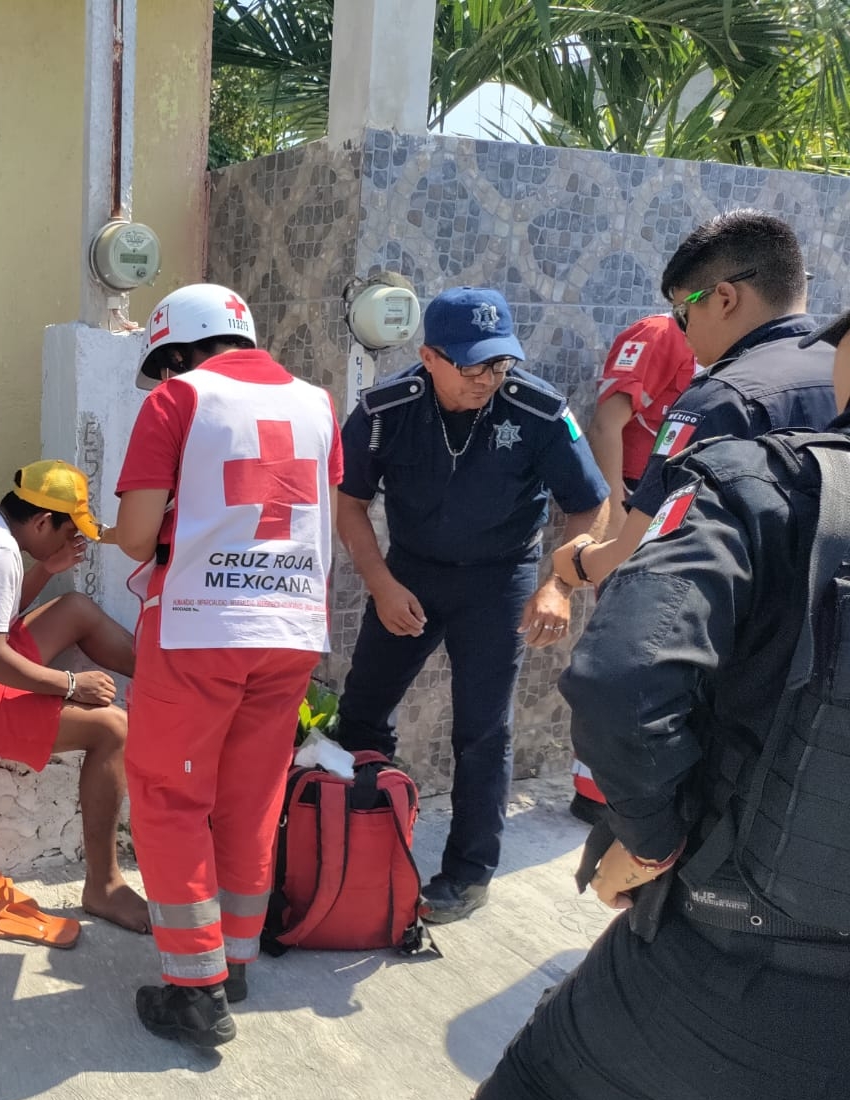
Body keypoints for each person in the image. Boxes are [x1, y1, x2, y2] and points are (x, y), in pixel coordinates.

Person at [410, 307, 850, 1100]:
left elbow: (624, 679)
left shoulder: (762, 474)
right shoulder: (391, 409)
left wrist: (645, 839)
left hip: (742, 949)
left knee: (542, 1076)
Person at [109, 282, 341, 1046]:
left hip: (202, 627)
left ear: (177, 349)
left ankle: (196, 992)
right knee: (249, 795)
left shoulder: (177, 400)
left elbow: (141, 538)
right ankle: (234, 960)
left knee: (170, 796)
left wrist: (123, 529)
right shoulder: (317, 402)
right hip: (293, 625)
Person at [334, 287, 609, 924]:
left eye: (499, 364)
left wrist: (557, 584)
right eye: (471, 365)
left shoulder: (537, 411)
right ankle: (345, 834)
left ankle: (468, 872)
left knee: (483, 729)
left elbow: (587, 505)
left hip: (500, 580)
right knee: (363, 709)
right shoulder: (384, 410)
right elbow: (349, 503)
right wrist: (379, 582)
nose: (487, 378)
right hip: (408, 574)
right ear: (429, 356)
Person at [0, 460, 147, 932]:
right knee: (113, 730)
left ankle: (171, 683)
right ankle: (102, 885)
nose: (69, 542)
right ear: (42, 521)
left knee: (76, 608)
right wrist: (69, 685)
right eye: (66, 533)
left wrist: (46, 569)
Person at [554, 210, 837, 590]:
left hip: (752, 633)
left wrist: (580, 562)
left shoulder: (721, 398)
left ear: (724, 299)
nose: (682, 329)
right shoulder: (839, 368)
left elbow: (637, 553)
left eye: (684, 312)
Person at [569, 314, 696, 824]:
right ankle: (596, 792)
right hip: (640, 499)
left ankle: (622, 788)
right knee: (628, 650)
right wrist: (619, 515)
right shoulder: (663, 334)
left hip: (677, 504)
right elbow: (606, 423)